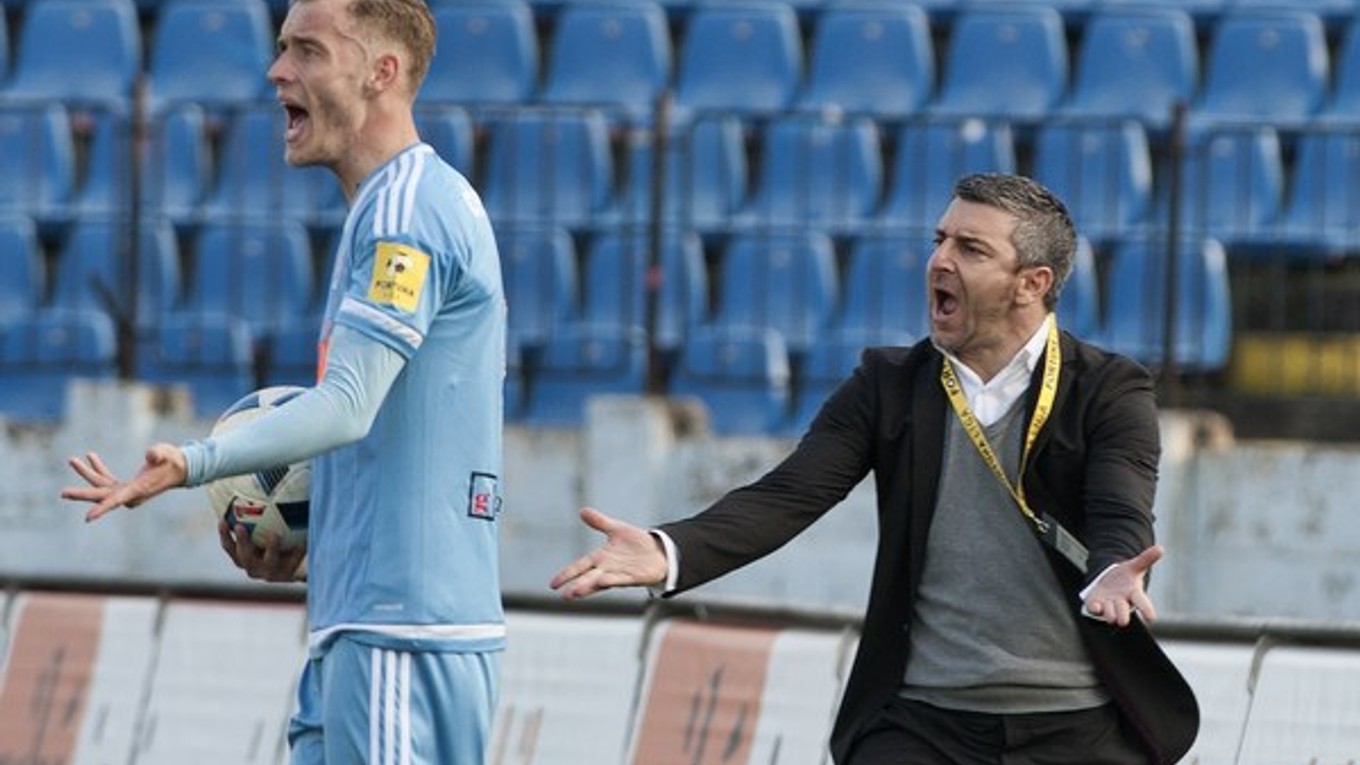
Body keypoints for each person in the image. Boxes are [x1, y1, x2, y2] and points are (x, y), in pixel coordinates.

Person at [551, 173, 1197, 765]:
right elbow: (788, 494)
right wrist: (671, 550)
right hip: (922, 724)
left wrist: (1115, 567)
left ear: (1033, 283)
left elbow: (1122, 505)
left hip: (1077, 726)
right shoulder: (886, 384)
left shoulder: (1111, 388)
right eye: (939, 239)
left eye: (970, 249)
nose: (940, 260)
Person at [61, 0, 507, 762]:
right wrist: (315, 543)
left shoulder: (407, 211)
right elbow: (400, 431)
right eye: (280, 48)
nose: (276, 72)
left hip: (401, 633)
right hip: (360, 621)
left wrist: (193, 462)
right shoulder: (384, 210)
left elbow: (347, 407)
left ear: (381, 74)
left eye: (306, 51)